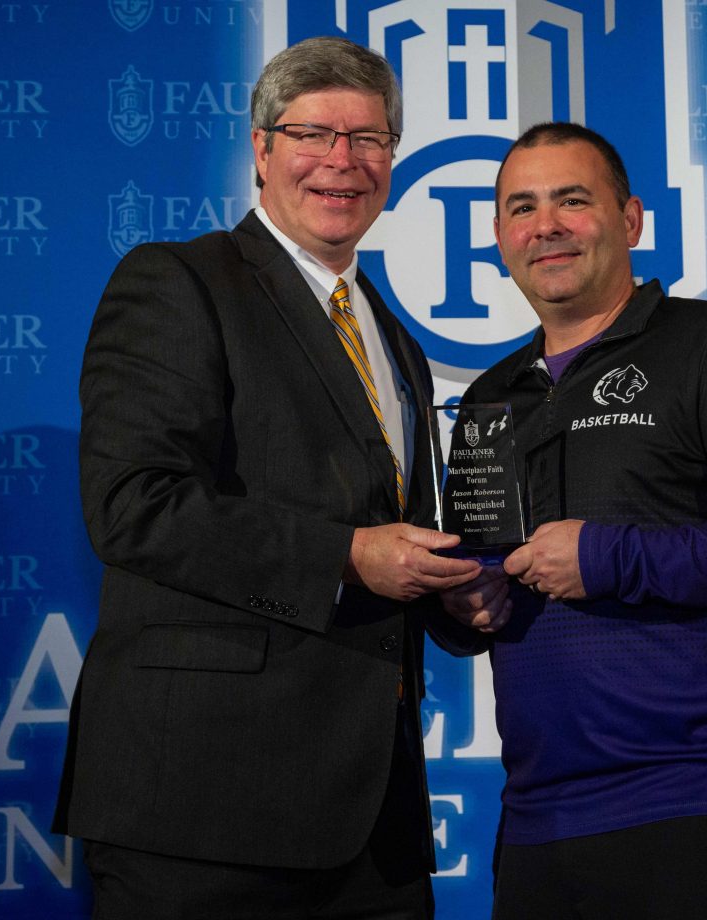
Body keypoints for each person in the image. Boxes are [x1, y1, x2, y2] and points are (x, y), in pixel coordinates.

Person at [53, 36, 481, 919]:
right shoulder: (177, 282)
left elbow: (392, 532)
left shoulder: (391, 335)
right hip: (204, 810)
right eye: (312, 133)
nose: (341, 161)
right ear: (260, 147)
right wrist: (348, 555)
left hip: (374, 823)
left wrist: (460, 598)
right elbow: (133, 505)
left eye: (368, 139)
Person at [442, 123, 707, 919]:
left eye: (571, 201)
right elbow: (477, 579)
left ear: (630, 220)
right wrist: (459, 608)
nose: (544, 226)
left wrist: (610, 555)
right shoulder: (487, 398)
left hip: (698, 797)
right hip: (537, 818)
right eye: (522, 208)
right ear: (497, 237)